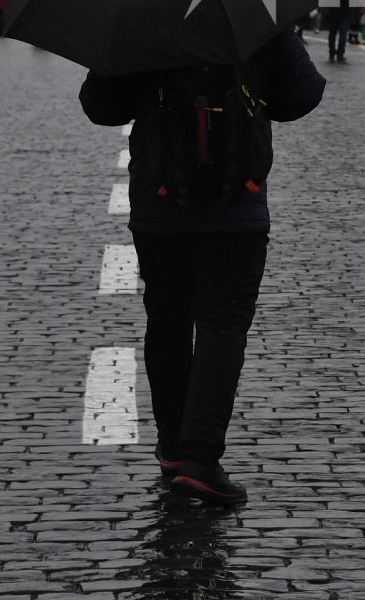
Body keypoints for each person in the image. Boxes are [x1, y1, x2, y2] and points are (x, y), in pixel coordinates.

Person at [79, 28, 325, 505]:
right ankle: (201, 459)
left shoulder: (142, 16)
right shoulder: (256, 13)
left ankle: (173, 447)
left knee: (167, 320)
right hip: (238, 206)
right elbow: (302, 94)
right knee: (223, 325)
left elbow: (100, 106)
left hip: (160, 205)